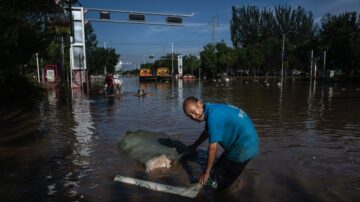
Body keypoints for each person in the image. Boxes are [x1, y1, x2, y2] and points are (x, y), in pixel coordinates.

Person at [183, 97, 259, 191]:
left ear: (199, 104)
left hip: (243, 148)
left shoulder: (213, 116)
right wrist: (195, 146)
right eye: (189, 116)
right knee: (218, 168)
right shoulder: (211, 109)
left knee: (219, 185)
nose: (193, 117)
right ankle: (230, 180)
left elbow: (213, 148)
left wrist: (206, 173)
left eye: (193, 112)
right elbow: (207, 131)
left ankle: (222, 190)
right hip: (245, 142)